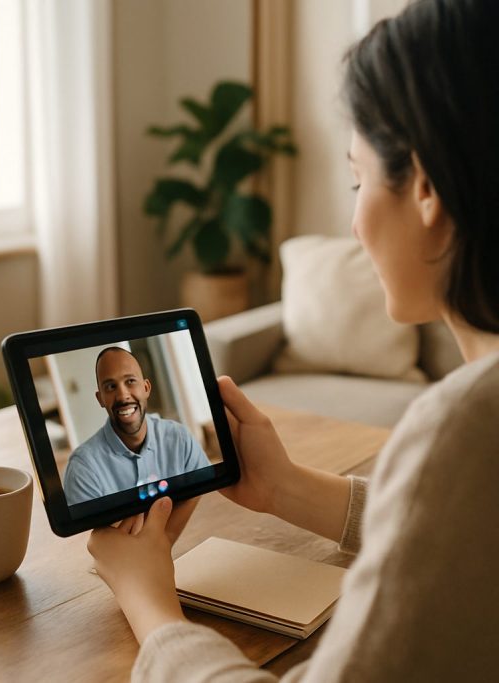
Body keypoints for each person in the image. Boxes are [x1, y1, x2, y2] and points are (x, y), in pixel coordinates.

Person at [87, 0, 499, 679]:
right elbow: (464, 528)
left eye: (357, 177)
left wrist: (150, 604)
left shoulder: (462, 427)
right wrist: (287, 488)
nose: (355, 217)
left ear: (424, 186)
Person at [63, 347, 209, 506]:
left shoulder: (180, 438)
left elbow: (209, 492)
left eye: (130, 381)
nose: (123, 395)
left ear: (146, 388)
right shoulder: (82, 468)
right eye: (111, 387)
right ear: (100, 399)